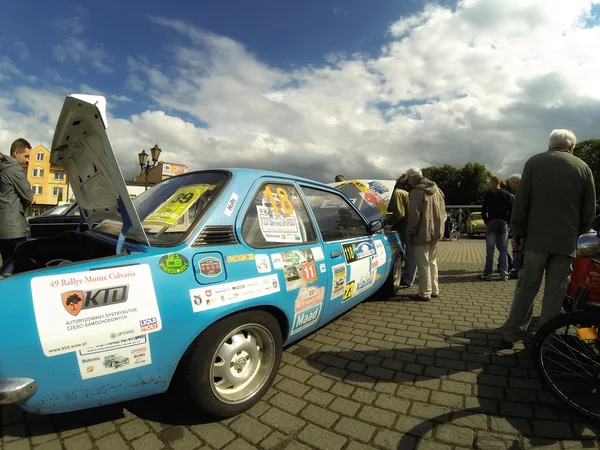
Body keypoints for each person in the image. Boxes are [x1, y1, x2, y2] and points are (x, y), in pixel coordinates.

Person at [499, 129, 596, 348]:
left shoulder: (534, 163)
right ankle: (546, 337)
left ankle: (512, 331)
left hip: (536, 240)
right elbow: (589, 211)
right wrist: (577, 231)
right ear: (571, 147)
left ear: (550, 144)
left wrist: (518, 232)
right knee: (555, 292)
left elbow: (521, 203)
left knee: (526, 286)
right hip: (565, 242)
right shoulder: (583, 168)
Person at [405, 167, 446, 301]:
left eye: (409, 179)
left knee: (422, 264)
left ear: (414, 177)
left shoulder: (416, 192)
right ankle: (434, 290)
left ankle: (424, 293)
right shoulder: (437, 189)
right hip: (436, 232)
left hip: (421, 233)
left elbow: (414, 216)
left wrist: (409, 234)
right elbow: (443, 210)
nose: (409, 182)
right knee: (432, 261)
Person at [0, 138, 33, 263]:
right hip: (14, 231)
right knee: (17, 267)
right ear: (15, 153)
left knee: (6, 264)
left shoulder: (3, 168)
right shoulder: (15, 170)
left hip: (4, 228)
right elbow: (29, 197)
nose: (27, 160)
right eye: (26, 156)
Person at [385, 174, 416, 287]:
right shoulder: (402, 192)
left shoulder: (397, 194)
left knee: (409, 254)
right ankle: (408, 277)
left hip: (407, 228)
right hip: (409, 226)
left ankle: (407, 279)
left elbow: (399, 214)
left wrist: (385, 222)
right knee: (411, 254)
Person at [481, 175, 514, 281]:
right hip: (503, 223)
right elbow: (512, 210)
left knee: (490, 249)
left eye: (490, 182)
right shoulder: (507, 195)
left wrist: (487, 221)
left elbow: (483, 209)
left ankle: (488, 273)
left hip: (492, 222)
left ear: (493, 182)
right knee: (504, 249)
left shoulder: (488, 194)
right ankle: (504, 273)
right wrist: (507, 222)